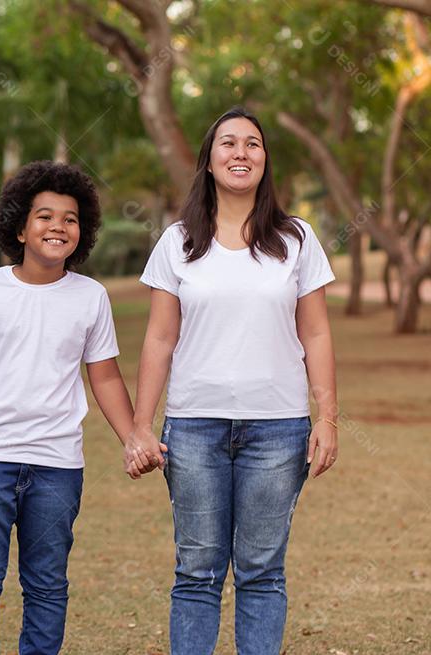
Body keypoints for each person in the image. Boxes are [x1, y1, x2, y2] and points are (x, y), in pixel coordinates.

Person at [129, 106, 339, 655]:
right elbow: (159, 339)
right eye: (228, 143)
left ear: (265, 160)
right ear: (209, 160)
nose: (240, 152)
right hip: (193, 429)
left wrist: (328, 419)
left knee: (262, 570)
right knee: (196, 571)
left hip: (279, 429)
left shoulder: (297, 239)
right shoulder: (177, 242)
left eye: (252, 143)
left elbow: (316, 334)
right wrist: (141, 427)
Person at [0, 160, 142, 654]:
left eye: (70, 218)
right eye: (44, 216)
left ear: (82, 232)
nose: (58, 226)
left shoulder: (91, 297)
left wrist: (133, 436)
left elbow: (105, 376)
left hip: (57, 466)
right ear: (20, 228)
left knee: (47, 583)